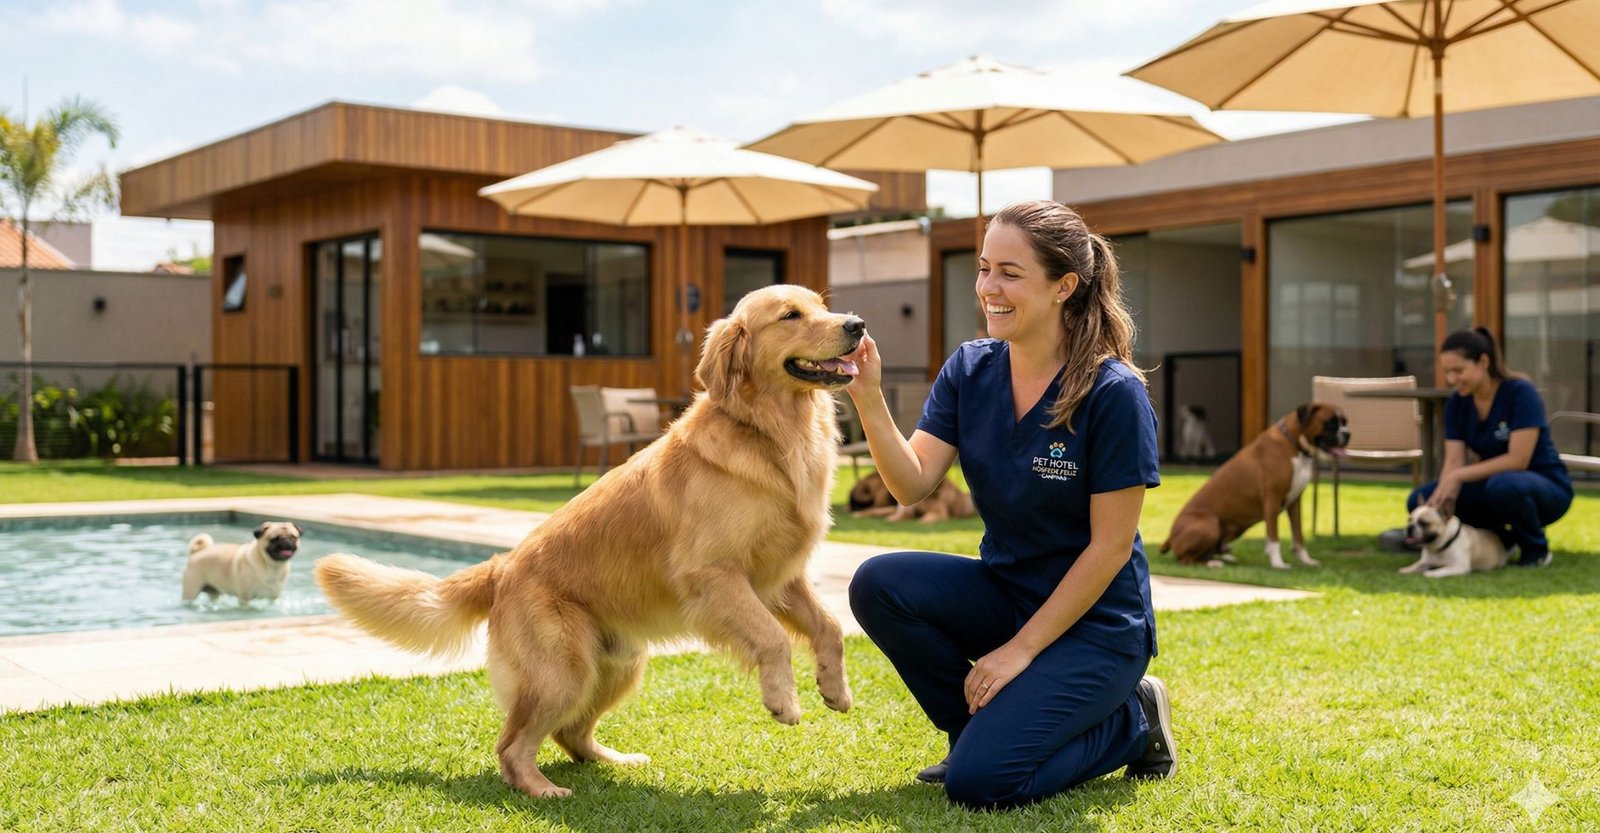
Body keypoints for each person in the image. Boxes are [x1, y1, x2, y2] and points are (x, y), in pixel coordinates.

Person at [845, 200, 1175, 811]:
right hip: (1008, 594)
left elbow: (1108, 550)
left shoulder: (1114, 393)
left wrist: (1020, 651)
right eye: (983, 268)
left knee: (981, 785)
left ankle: (1135, 722)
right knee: (880, 583)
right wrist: (867, 397)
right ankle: (973, 734)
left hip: (1097, 627)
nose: (988, 289)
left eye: (1010, 273)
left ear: (1064, 287)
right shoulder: (970, 369)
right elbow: (911, 485)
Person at [1404, 327, 1573, 566]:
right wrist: (1442, 496)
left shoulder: (1521, 393)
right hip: (1496, 485)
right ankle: (1497, 542)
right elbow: (1453, 461)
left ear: (1483, 362)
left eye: (1458, 370)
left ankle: (1536, 551)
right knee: (1420, 501)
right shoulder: (1458, 403)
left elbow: (1518, 460)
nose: (1451, 379)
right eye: (1447, 372)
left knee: (1503, 486)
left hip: (1543, 487)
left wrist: (1459, 476)